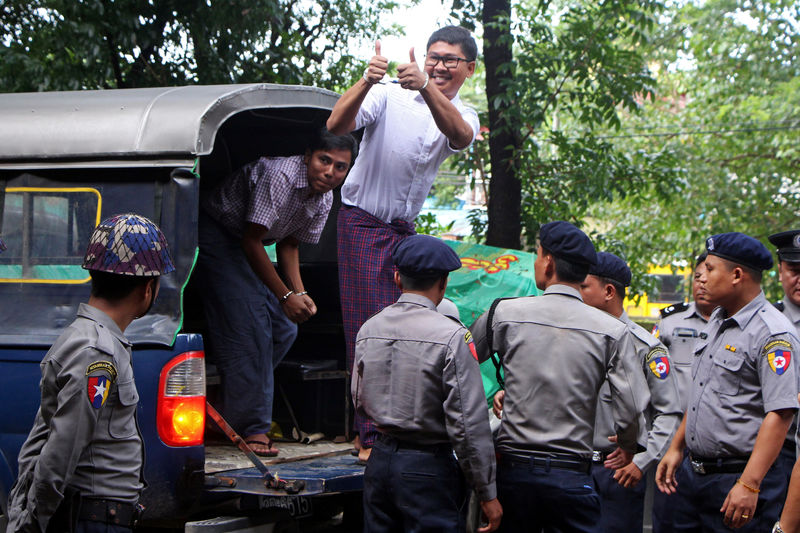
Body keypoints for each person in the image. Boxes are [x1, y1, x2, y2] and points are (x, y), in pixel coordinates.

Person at [327, 25, 480, 462]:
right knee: (368, 330)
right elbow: (336, 124)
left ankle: (402, 424)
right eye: (434, 57)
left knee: (416, 325)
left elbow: (461, 136)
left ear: (469, 68)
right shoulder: (388, 94)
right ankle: (369, 435)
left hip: (402, 234)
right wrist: (366, 80)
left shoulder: (462, 112)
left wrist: (428, 87)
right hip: (362, 223)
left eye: (451, 60)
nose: (440, 65)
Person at [469, 221, 649, 532]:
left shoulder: (503, 314)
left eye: (537, 255)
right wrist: (629, 446)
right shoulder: (613, 332)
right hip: (572, 477)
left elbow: (460, 367)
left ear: (549, 261)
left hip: (514, 475)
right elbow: (631, 406)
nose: (536, 262)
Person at [6, 213, 175, 532]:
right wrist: (33, 523)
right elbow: (62, 448)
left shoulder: (96, 341)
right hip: (93, 520)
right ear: (147, 289)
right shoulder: (95, 350)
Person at [198, 127, 358, 456]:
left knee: (284, 329)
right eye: (323, 161)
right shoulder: (281, 177)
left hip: (247, 244)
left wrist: (300, 293)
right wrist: (286, 297)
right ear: (308, 157)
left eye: (340, 167)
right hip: (217, 233)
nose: (329, 172)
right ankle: (252, 427)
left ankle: (230, 407)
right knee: (254, 329)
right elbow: (251, 240)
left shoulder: (325, 197)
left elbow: (289, 244)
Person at [352, 234, 502, 532]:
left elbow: (359, 400)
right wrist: (487, 492)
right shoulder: (452, 337)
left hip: (380, 461)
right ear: (443, 284)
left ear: (397, 278)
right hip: (427, 468)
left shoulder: (370, 328)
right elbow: (469, 425)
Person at [656, 232, 800, 532]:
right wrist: (676, 447)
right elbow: (702, 394)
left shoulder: (772, 333)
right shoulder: (719, 319)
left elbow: (782, 412)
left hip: (736, 478)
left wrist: (749, 484)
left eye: (709, 269)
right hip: (694, 474)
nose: (701, 278)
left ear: (736, 275)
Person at [580, 252, 682, 532]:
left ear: (609, 291)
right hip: (572, 471)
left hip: (616, 474)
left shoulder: (646, 348)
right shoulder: (575, 341)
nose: (577, 293)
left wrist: (641, 461)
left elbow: (669, 413)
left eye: (584, 286)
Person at [650, 251, 715, 533]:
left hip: (716, 444)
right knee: (668, 517)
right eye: (697, 276)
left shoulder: (732, 324)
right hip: (672, 439)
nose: (701, 283)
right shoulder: (670, 321)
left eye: (708, 275)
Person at [769, 230, 800, 533]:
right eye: (794, 270)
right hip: (774, 451)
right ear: (780, 271)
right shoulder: (765, 324)